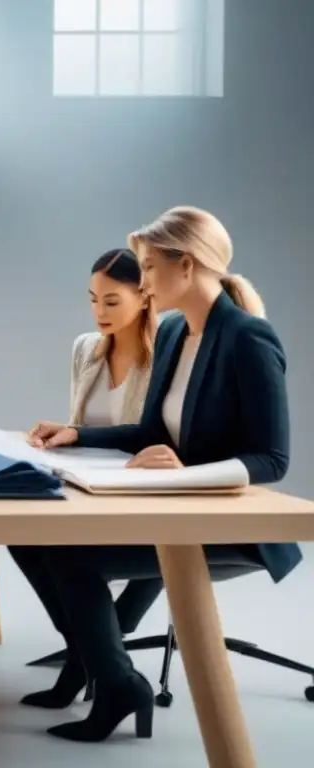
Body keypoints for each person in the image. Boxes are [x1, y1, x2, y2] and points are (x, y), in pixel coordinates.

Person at [26, 206, 303, 743]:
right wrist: (76, 434)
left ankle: (116, 684)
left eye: (149, 267)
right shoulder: (177, 332)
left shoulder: (249, 338)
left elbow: (273, 459)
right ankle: (110, 673)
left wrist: (188, 472)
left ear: (187, 265)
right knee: (48, 541)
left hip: (230, 524)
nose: (144, 281)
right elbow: (148, 431)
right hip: (177, 503)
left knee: (69, 555)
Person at [13, 248, 165, 710]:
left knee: (65, 555)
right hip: (89, 488)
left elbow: (156, 437)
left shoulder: (165, 356)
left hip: (145, 495)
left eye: (112, 301)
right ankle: (90, 651)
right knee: (18, 531)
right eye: (93, 299)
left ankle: (94, 657)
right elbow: (85, 426)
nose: (99, 312)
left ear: (144, 297)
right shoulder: (86, 349)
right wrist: (54, 437)